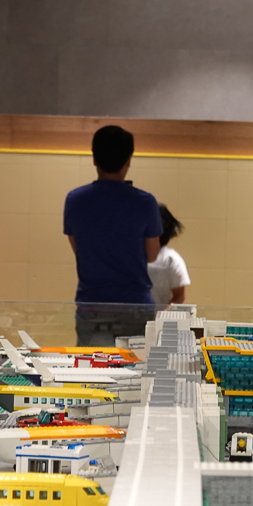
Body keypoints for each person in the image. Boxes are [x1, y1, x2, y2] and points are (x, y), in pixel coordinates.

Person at [64, 125, 161, 346]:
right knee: (137, 367)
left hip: (92, 305)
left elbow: (79, 248)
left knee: (92, 366)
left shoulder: (75, 200)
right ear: (128, 160)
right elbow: (152, 254)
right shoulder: (144, 202)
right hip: (135, 306)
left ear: (94, 159)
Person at [148, 205, 191, 310]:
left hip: (158, 317)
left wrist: (163, 315)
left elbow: (179, 296)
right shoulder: (130, 255)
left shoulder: (171, 259)